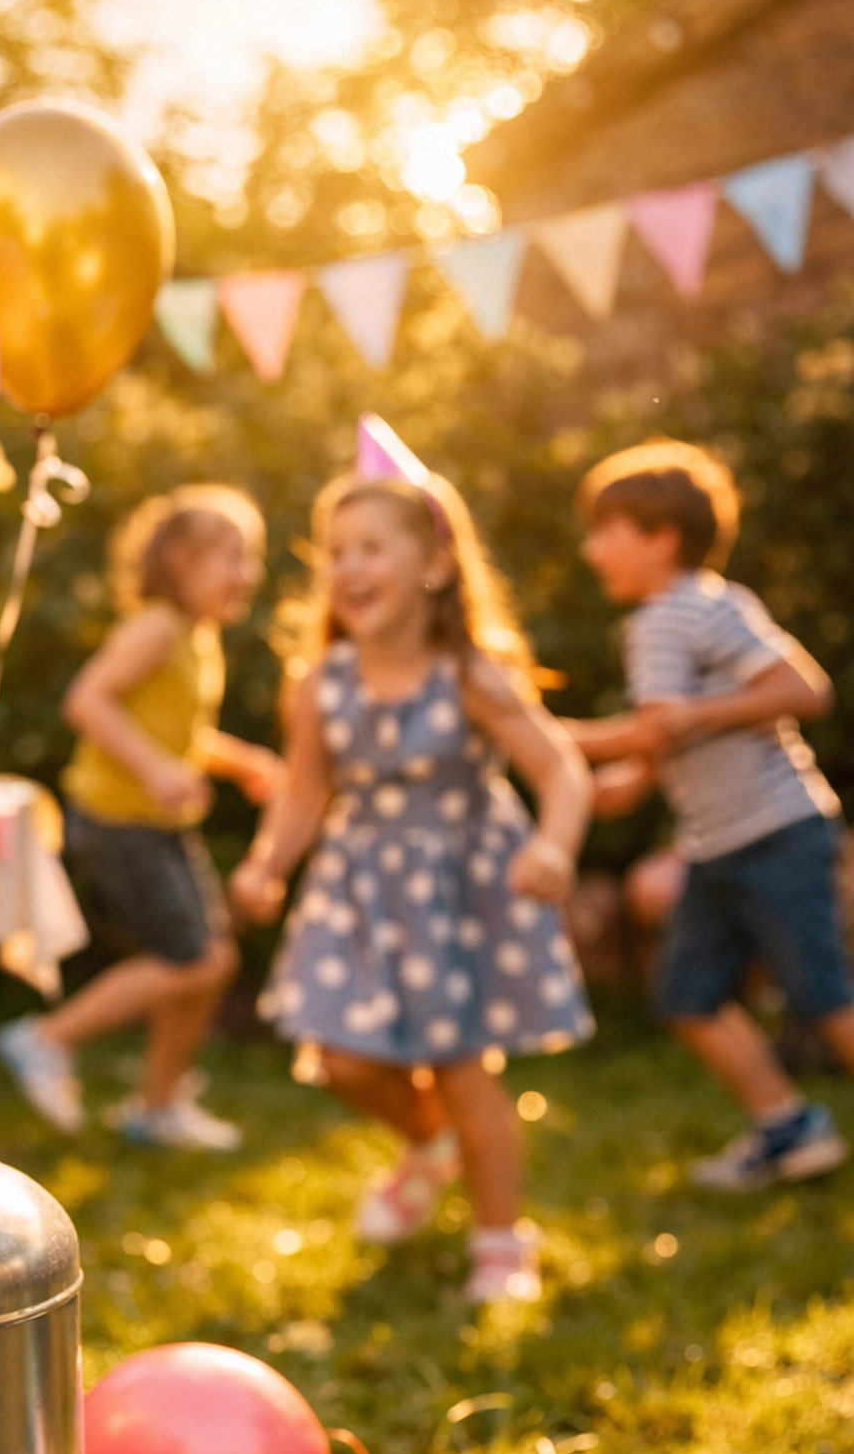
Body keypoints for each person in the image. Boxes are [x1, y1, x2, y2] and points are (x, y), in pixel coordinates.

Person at [229, 440, 594, 1303]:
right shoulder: (320, 683)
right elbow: (304, 790)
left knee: (465, 1069)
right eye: (337, 552)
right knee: (340, 1058)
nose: (349, 568)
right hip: (359, 890)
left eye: (372, 548)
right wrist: (267, 863)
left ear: (434, 565)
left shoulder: (470, 675)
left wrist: (554, 845)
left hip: (461, 894)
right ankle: (432, 1146)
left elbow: (561, 769)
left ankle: (501, 1246)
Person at [569, 438, 853, 1190]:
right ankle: (789, 1130)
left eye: (605, 532)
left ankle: (790, 1129)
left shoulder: (680, 611)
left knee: (825, 997)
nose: (591, 550)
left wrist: (542, 736)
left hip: (777, 834)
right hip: (716, 846)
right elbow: (667, 728)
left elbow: (806, 691)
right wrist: (639, 776)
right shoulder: (695, 607)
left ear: (659, 539)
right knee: (688, 997)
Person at [0, 485, 281, 1149]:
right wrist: (155, 771)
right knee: (193, 961)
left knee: (212, 959)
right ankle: (46, 1039)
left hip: (155, 824)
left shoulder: (194, 637)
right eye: (233, 557)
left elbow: (179, 733)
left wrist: (240, 763)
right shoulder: (156, 627)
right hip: (118, 821)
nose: (248, 574)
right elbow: (88, 701)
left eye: (251, 558)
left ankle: (157, 1105)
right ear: (181, 560)